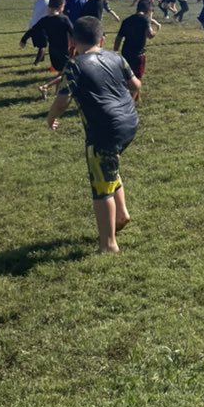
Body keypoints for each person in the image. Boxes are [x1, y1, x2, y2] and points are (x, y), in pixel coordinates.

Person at [47, 15, 141, 254]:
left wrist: (51, 118)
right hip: (130, 123)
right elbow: (136, 85)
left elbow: (62, 100)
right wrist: (125, 108)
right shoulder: (116, 57)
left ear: (71, 40)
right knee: (109, 166)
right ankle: (121, 214)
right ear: (102, 38)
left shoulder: (75, 65)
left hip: (104, 131)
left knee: (101, 188)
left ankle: (108, 244)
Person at [19, 0, 75, 97]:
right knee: (66, 74)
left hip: (52, 51)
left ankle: (57, 93)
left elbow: (32, 30)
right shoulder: (64, 19)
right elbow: (73, 32)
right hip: (63, 51)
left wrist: (23, 40)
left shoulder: (45, 20)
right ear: (61, 7)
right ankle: (45, 86)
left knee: (61, 73)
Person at [114, 0, 160, 80]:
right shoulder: (145, 19)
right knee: (136, 77)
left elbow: (119, 38)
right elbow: (150, 35)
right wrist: (157, 29)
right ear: (148, 9)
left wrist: (116, 52)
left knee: (126, 76)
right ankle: (134, 92)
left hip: (126, 52)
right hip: (137, 54)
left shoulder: (127, 20)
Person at [23, 0, 54, 64]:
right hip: (41, 27)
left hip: (33, 25)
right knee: (43, 46)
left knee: (41, 45)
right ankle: (36, 63)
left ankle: (42, 59)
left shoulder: (38, 1)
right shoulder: (48, 2)